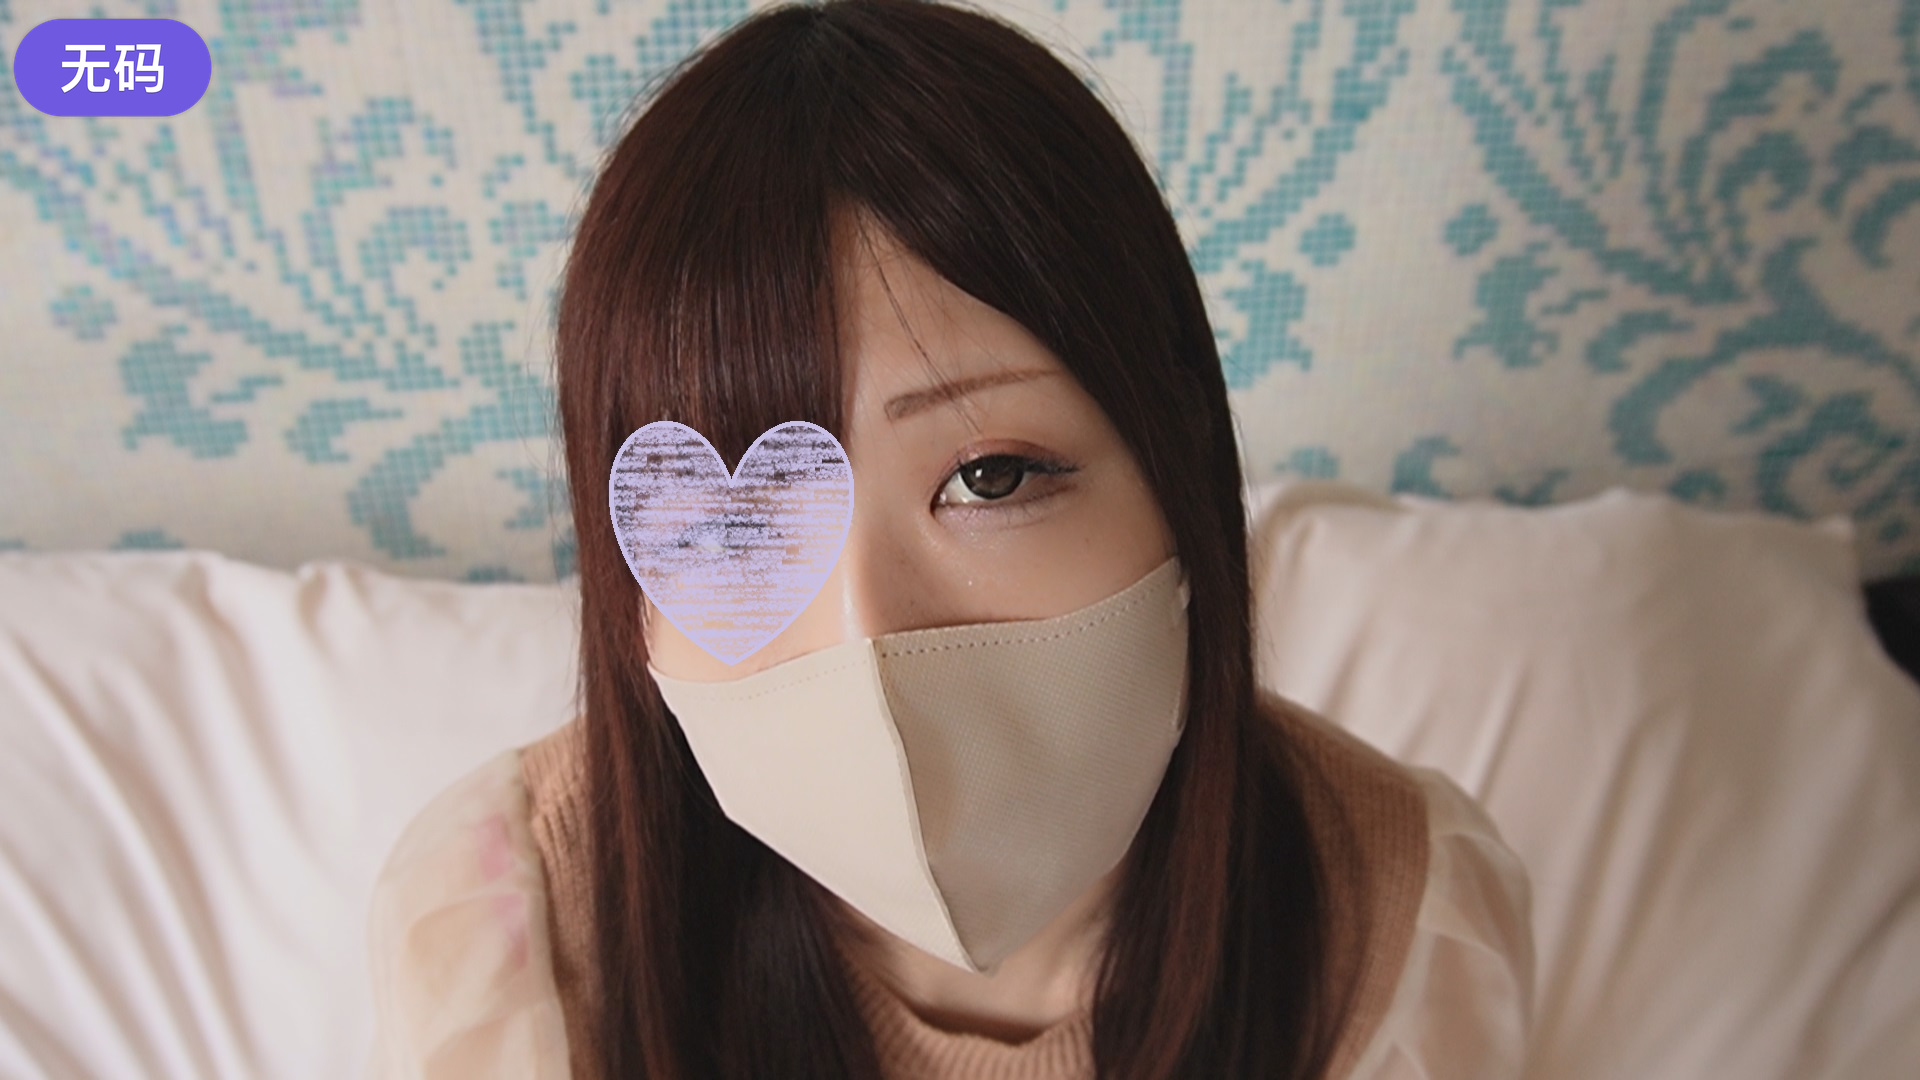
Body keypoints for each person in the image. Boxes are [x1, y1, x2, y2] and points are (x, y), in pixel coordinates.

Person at [363, 1, 1534, 1077]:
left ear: (1175, 462)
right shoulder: (509, 936)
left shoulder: (1398, 925)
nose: (864, 638)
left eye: (991, 475)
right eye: (735, 519)